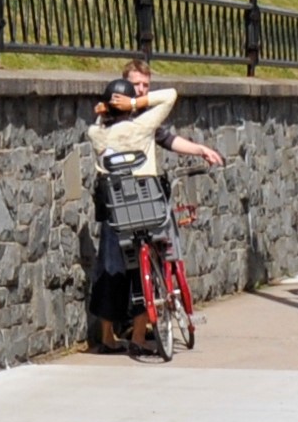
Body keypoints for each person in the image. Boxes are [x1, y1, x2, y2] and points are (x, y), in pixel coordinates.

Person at [87, 60, 224, 355]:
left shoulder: (98, 133)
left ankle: (108, 336)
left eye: (146, 86)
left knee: (111, 268)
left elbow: (167, 139)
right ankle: (138, 334)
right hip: (145, 204)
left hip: (116, 205)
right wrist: (138, 103)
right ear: (125, 90)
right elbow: (170, 99)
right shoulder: (144, 123)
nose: (141, 91)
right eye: (136, 86)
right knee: (148, 262)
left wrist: (104, 113)